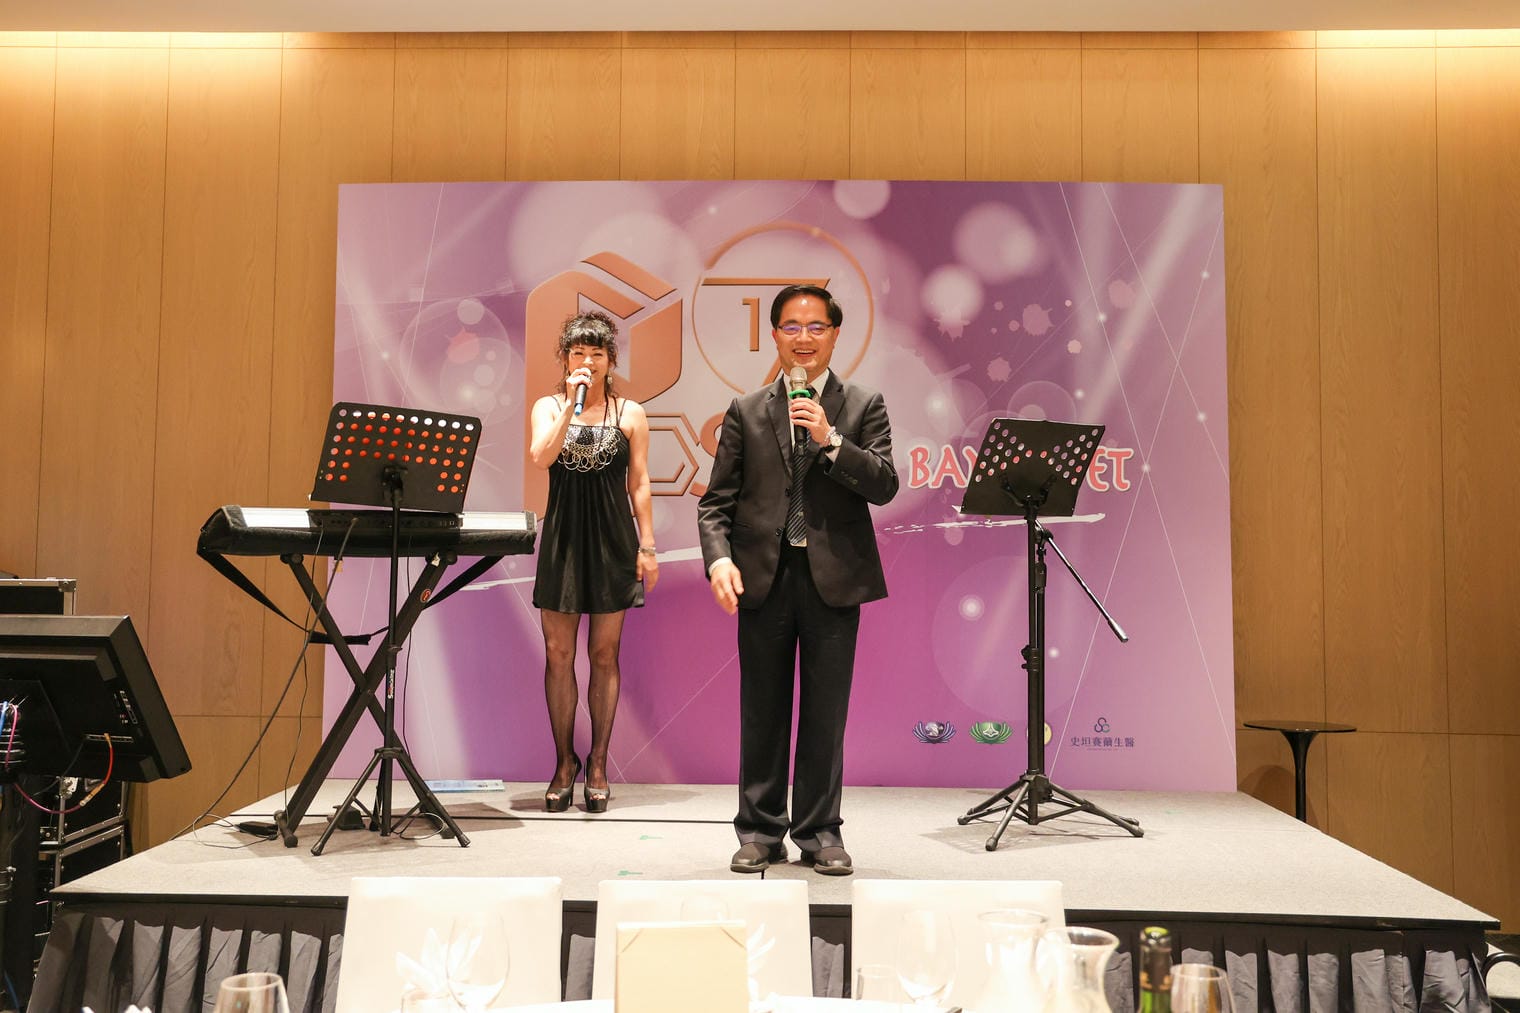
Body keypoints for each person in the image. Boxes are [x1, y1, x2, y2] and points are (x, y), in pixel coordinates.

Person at [697, 284, 898, 876]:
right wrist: (718, 560)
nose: (803, 338)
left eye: (815, 327)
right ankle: (760, 831)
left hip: (833, 579)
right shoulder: (746, 410)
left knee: (824, 714)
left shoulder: (862, 404)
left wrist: (830, 440)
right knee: (761, 711)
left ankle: (819, 832)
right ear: (775, 336)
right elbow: (716, 503)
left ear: (835, 335)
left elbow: (884, 484)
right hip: (764, 577)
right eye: (791, 327)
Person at [530, 310, 658, 814]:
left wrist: (647, 545)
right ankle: (564, 763)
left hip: (612, 542)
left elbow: (639, 482)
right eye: (578, 353)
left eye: (597, 354)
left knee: (605, 654)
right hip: (563, 541)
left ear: (611, 360)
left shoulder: (630, 413)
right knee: (558, 653)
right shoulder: (548, 406)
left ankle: (599, 763)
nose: (587, 361)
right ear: (565, 359)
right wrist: (570, 406)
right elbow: (541, 456)